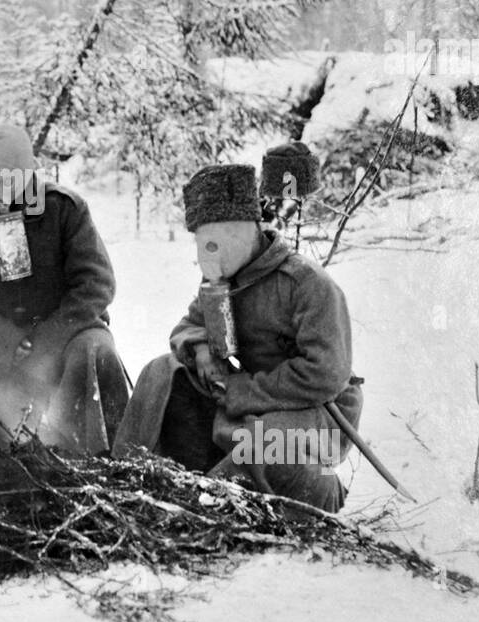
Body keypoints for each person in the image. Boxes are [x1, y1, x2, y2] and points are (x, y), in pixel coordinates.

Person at [111, 163, 362, 512]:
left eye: (216, 243)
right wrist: (200, 349)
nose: (206, 257)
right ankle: (133, 476)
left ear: (247, 232)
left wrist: (242, 391)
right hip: (241, 403)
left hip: (314, 410)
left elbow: (326, 374)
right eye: (203, 244)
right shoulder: (223, 281)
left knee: (264, 442)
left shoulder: (307, 285)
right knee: (163, 372)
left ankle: (226, 499)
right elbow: (188, 327)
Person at [0, 124, 128, 454]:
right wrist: (3, 340)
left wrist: (48, 341)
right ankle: (20, 485)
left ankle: (107, 461)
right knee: (1, 439)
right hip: (3, 352)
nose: (5, 185)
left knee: (96, 352)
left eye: (14, 174)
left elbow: (96, 283)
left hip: (70, 338)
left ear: (32, 169)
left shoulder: (64, 209)